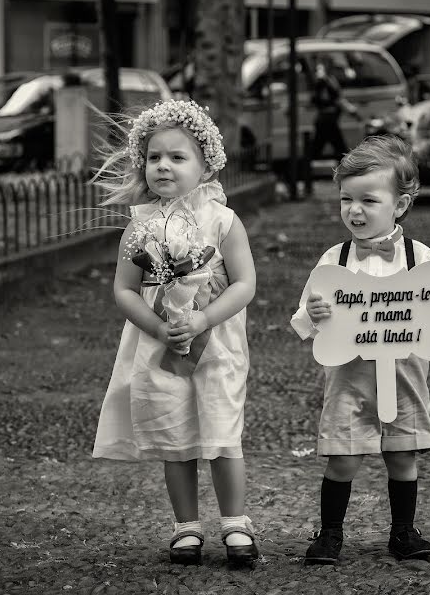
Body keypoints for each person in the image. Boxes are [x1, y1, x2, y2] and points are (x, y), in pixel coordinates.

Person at [91, 99, 259, 567]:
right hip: (158, 344)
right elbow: (125, 291)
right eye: (154, 157)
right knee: (175, 433)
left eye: (177, 157)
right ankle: (186, 527)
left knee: (222, 430)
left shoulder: (223, 221)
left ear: (206, 165)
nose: (163, 165)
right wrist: (160, 328)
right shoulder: (139, 227)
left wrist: (203, 319)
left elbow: (245, 283)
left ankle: (234, 524)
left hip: (217, 343)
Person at [290, 135, 430, 564]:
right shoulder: (335, 258)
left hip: (405, 373)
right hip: (350, 376)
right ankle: (330, 533)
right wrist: (315, 310)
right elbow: (308, 323)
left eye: (368, 200)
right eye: (346, 199)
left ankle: (403, 531)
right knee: (343, 458)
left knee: (403, 456)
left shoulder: (419, 255)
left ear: (399, 205)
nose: (355, 210)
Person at [310, 57, 360, 163]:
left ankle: (304, 172)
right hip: (327, 120)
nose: (340, 71)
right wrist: (352, 112)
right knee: (340, 149)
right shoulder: (325, 82)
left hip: (326, 120)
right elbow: (337, 100)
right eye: (337, 68)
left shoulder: (329, 80)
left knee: (317, 148)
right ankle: (346, 171)